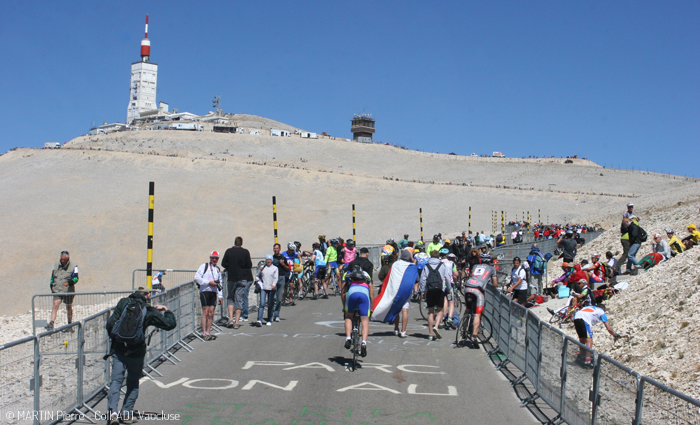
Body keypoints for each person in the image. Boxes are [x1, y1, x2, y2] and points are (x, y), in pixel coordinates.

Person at [106, 287, 176, 424]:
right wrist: (166, 310)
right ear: (148, 295)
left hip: (119, 349)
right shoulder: (148, 310)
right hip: (136, 352)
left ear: (134, 293)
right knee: (132, 382)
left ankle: (113, 411)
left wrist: (115, 341)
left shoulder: (123, 303)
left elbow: (110, 324)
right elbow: (170, 324)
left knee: (116, 381)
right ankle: (126, 413)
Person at [463, 257, 498, 348]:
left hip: (468, 286)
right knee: (477, 314)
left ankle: (463, 329)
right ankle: (474, 336)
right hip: (478, 290)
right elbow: (495, 284)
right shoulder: (492, 268)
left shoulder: (475, 266)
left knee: (468, 308)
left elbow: (472, 276)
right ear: (489, 262)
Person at [221, 236, 253, 329]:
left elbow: (223, 263)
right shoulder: (245, 252)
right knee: (239, 299)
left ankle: (230, 319)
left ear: (234, 243)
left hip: (231, 278)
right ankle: (237, 322)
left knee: (230, 298)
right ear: (241, 243)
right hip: (242, 278)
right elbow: (249, 265)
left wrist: (230, 266)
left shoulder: (229, 251)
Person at [419, 250, 451, 340]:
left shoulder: (426, 266)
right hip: (439, 290)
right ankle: (436, 326)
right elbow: (447, 278)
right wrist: (448, 289)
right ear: (438, 257)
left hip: (430, 290)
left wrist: (422, 291)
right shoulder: (442, 265)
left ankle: (430, 334)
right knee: (440, 310)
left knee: (430, 312)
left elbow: (423, 280)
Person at [343, 266, 375, 357]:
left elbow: (343, 292)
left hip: (352, 292)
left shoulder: (348, 274)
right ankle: (364, 342)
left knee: (349, 317)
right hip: (364, 293)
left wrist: (344, 306)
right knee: (365, 321)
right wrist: (371, 307)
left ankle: (348, 338)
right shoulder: (366, 275)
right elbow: (371, 293)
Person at [46, 251, 79, 331]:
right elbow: (52, 276)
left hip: (68, 291)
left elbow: (76, 278)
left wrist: (69, 283)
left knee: (68, 306)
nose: (62, 261)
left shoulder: (74, 266)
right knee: (55, 305)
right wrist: (51, 285)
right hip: (57, 290)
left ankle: (69, 324)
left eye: (64, 259)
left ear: (68, 259)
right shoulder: (56, 265)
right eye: (61, 259)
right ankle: (51, 323)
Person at [194, 251, 223, 340]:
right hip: (205, 291)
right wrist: (208, 283)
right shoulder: (204, 266)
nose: (214, 259)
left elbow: (220, 283)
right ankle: (203, 333)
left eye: (216, 258)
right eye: (213, 258)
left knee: (211, 313)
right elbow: (197, 278)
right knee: (206, 312)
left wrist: (220, 296)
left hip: (213, 292)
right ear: (210, 258)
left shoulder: (217, 269)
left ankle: (208, 332)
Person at [255, 255, 278, 326]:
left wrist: (274, 284)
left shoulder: (275, 268)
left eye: (270, 260)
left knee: (270, 304)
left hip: (271, 288)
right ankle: (259, 319)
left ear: (272, 260)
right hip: (263, 288)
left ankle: (269, 319)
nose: (268, 261)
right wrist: (259, 282)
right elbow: (257, 276)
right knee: (262, 304)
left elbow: (275, 278)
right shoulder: (262, 268)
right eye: (267, 260)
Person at [271, 243, 287, 322]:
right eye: (274, 248)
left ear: (279, 249)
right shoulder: (271, 258)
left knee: (279, 298)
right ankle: (271, 314)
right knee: (273, 298)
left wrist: (283, 264)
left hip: (281, 277)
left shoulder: (283, 258)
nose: (275, 250)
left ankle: (276, 314)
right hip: (273, 279)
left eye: (277, 248)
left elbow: (288, 269)